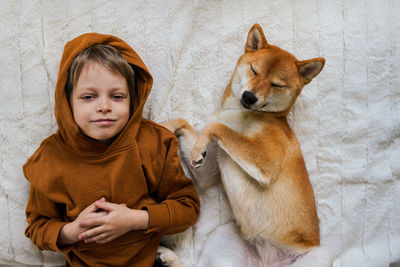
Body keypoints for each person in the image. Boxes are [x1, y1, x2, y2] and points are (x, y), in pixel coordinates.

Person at [23, 33, 200, 266]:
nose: (104, 107)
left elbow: (187, 208)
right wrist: (73, 231)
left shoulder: (154, 144)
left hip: (147, 261)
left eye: (117, 97)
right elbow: (38, 227)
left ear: (132, 99)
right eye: (88, 97)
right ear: (67, 102)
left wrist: (136, 219)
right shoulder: (50, 159)